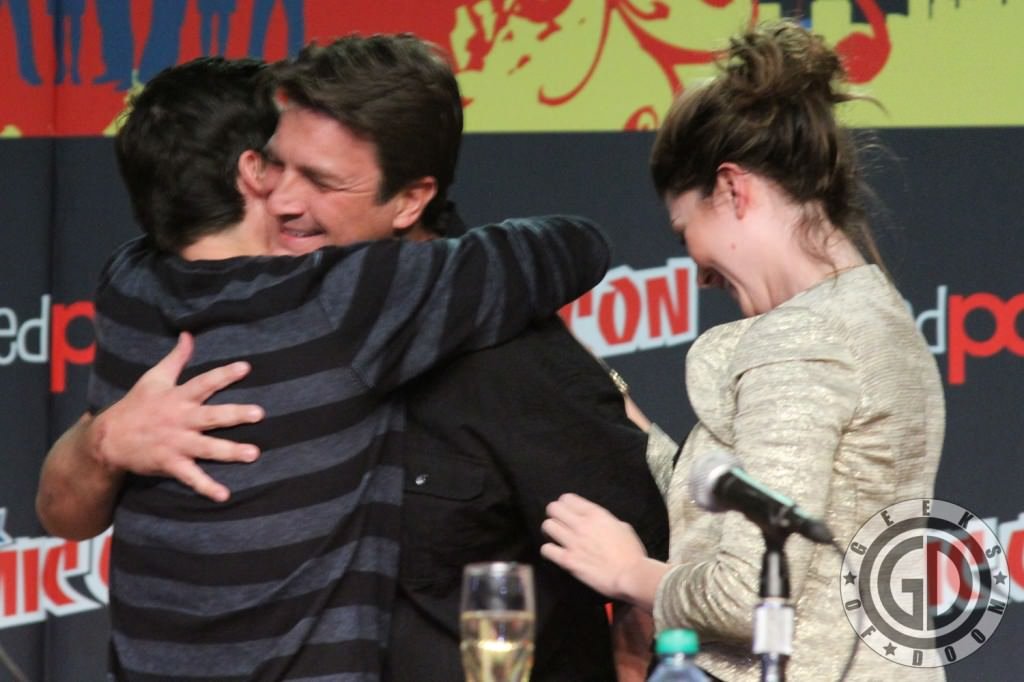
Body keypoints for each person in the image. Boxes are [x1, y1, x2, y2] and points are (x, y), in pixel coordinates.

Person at [38, 35, 667, 680]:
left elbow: (647, 551)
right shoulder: (177, 296)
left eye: (321, 180)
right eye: (275, 166)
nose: (283, 199)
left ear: (410, 200)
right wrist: (104, 440)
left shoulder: (503, 350)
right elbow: (62, 513)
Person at [540, 20, 945, 682]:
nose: (697, 271)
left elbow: (753, 589)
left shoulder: (800, 339)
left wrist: (627, 571)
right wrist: (616, 414)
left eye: (684, 233)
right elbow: (761, 511)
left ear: (733, 189)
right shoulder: (875, 313)